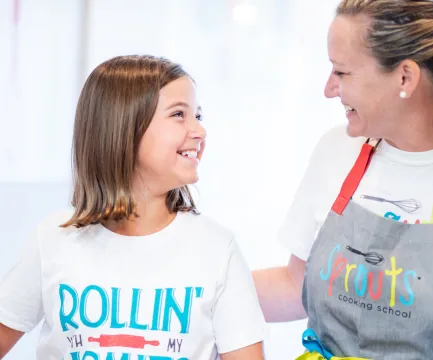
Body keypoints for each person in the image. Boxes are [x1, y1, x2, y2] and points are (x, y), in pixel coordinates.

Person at [253, 0, 433, 358]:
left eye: (342, 72)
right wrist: (201, 285)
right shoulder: (336, 151)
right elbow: (296, 284)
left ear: (405, 76)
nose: (329, 89)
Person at [0, 55, 266, 360]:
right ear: (125, 127)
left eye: (198, 116)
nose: (199, 131)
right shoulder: (53, 241)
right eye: (179, 114)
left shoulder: (218, 249)